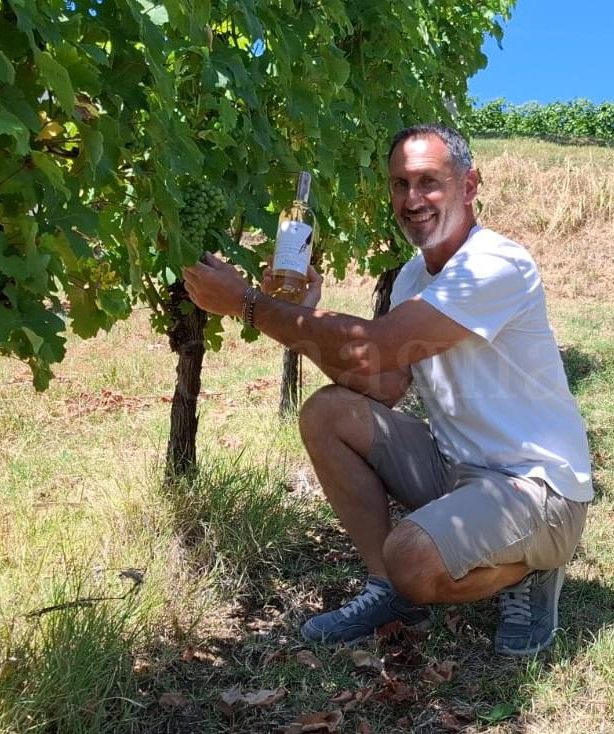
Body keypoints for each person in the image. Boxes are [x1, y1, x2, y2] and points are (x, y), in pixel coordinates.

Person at [182, 123, 592, 656]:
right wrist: (301, 315)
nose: (412, 199)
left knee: (413, 557)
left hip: (536, 486)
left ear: (470, 185)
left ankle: (529, 571)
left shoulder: (494, 265)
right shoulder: (412, 278)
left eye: (429, 182)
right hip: (457, 471)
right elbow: (384, 382)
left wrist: (248, 304)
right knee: (330, 413)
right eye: (400, 184)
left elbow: (372, 348)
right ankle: (389, 591)